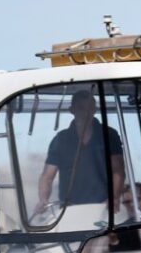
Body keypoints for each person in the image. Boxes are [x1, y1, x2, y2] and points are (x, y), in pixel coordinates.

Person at [35, 90, 126, 225]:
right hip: (69, 211)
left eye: (90, 108)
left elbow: (118, 170)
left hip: (104, 209)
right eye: (81, 108)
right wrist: (43, 199)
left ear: (95, 110)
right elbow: (47, 176)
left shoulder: (109, 135)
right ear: (72, 110)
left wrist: (114, 197)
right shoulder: (61, 139)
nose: (85, 112)